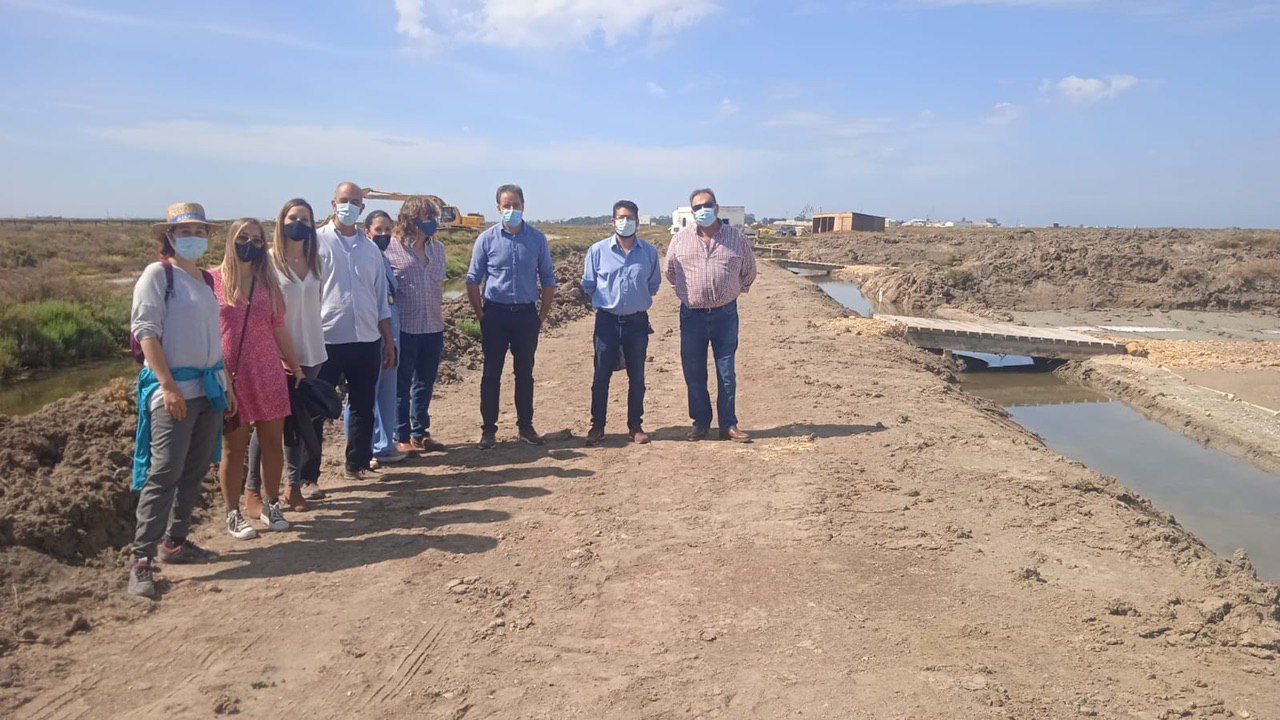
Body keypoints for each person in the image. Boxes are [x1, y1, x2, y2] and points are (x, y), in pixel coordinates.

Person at [128, 202, 234, 598]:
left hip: (208, 389)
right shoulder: (158, 276)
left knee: (193, 469)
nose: (194, 237)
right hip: (175, 391)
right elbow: (146, 333)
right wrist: (168, 386)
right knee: (164, 472)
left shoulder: (205, 280)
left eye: (200, 231)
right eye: (185, 231)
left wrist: (226, 384)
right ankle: (142, 559)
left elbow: (212, 338)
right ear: (169, 237)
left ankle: (175, 541)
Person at [210, 218, 304, 540]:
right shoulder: (212, 282)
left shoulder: (268, 283)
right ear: (230, 240)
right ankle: (233, 513)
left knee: (271, 444)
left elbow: (279, 327)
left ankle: (272, 504)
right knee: (233, 449)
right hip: (230, 376)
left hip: (267, 372)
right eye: (242, 237)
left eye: (255, 238)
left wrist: (296, 366)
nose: (249, 243)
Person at [246, 198, 327, 511]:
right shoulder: (267, 263)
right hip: (277, 357)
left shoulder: (315, 261)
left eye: (305, 219)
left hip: (312, 353)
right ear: (281, 222)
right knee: (267, 426)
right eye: (293, 218)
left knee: (298, 426)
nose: (299, 224)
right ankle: (252, 490)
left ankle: (293, 489)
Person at [465, 184, 557, 449]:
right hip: (495, 314)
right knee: (491, 374)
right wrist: (481, 314)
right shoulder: (486, 239)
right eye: (506, 206)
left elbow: (548, 279)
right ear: (498, 208)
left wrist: (540, 316)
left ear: (524, 205)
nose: (511, 210)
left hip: (526, 316)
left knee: (524, 374)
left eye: (515, 204)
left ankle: (525, 427)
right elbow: (472, 278)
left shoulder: (537, 239)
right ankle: (488, 430)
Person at [664, 188, 758, 442]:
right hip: (692, 316)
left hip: (725, 315)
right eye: (697, 207)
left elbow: (749, 270)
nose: (702, 210)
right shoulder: (681, 239)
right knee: (693, 371)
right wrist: (687, 293)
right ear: (692, 211)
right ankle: (701, 423)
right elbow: (671, 271)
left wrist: (734, 291)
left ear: (716, 208)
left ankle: (728, 425)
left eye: (707, 205)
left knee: (726, 371)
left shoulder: (736, 238)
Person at [316, 182, 396, 479]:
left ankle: (357, 463)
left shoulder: (370, 250)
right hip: (326, 339)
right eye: (343, 200)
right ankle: (307, 476)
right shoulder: (317, 243)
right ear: (333, 203)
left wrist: (388, 341)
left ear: (362, 209)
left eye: (355, 202)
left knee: (363, 405)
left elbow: (380, 301)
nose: (349, 206)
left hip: (366, 339)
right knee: (316, 409)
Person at [581, 200, 661, 445]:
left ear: (637, 221)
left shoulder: (648, 252)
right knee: (601, 376)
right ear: (612, 221)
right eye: (620, 217)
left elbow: (653, 284)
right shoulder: (597, 251)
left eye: (629, 218)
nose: (624, 222)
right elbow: (588, 284)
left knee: (637, 377)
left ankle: (635, 425)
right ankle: (598, 426)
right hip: (606, 321)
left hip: (637, 322)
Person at [383, 197, 448, 454]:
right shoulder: (390, 248)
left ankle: (421, 431)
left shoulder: (438, 249)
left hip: (433, 325)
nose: (432, 222)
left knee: (425, 382)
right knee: (401, 385)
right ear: (411, 219)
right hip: (405, 329)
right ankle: (402, 435)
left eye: (434, 217)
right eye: (427, 217)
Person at [345, 209, 407, 469]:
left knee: (387, 391)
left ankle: (383, 445)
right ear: (367, 230)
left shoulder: (383, 258)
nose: (383, 234)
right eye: (378, 229)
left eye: (387, 230)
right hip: (370, 333)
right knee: (363, 394)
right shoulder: (363, 258)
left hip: (390, 331)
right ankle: (362, 449)